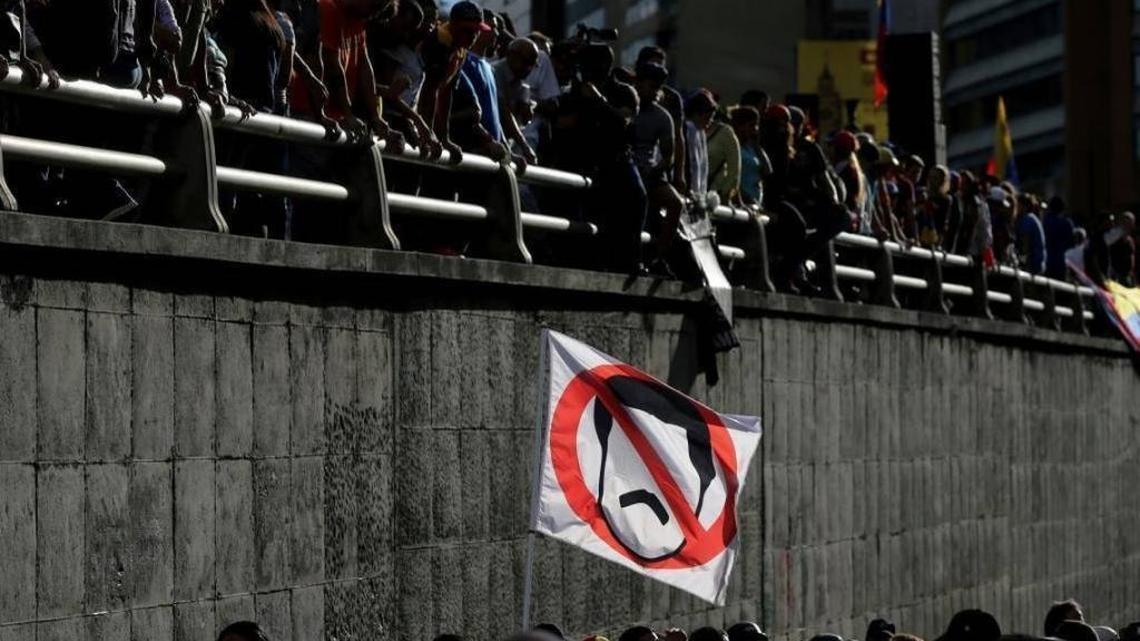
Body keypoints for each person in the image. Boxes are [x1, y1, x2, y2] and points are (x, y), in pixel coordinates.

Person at [418, 0, 493, 163]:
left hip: (424, 118)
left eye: (476, 32)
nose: (473, 37)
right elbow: (429, 92)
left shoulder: (461, 47)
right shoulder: (440, 42)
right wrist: (429, 133)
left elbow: (446, 93)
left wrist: (444, 138)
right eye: (467, 31)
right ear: (453, 24)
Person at [631, 59, 683, 269]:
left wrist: (655, 170)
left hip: (651, 173)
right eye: (650, 86)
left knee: (675, 203)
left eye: (657, 88)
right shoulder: (624, 104)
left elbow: (668, 156)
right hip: (625, 166)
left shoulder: (663, 117)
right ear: (638, 83)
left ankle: (658, 256)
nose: (654, 92)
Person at [491, 37, 539, 164]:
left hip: (505, 144)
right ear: (512, 56)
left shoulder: (519, 82)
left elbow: (522, 119)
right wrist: (525, 146)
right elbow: (504, 112)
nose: (529, 70)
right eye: (526, 63)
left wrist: (526, 111)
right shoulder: (496, 73)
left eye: (531, 65)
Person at [706, 103, 742, 205]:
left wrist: (724, 193)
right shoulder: (692, 130)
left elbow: (734, 170)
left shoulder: (725, 133)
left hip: (715, 194)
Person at [729, 105, 764, 206]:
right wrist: (745, 200)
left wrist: (757, 145)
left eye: (757, 125)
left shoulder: (750, 148)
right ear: (740, 126)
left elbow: (767, 170)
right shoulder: (733, 147)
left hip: (755, 203)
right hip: (743, 204)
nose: (755, 129)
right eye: (751, 125)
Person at [1043, 197, 1076, 280]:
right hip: (1062, 262)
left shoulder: (1046, 222)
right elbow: (1072, 245)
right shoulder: (1067, 223)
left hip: (1048, 261)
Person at [1015, 193, 1047, 274]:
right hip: (1038, 264)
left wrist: (1022, 263)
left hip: (1032, 266)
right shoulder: (1032, 218)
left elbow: (1025, 245)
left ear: (1024, 206)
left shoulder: (1027, 220)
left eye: (1018, 205)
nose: (1016, 208)